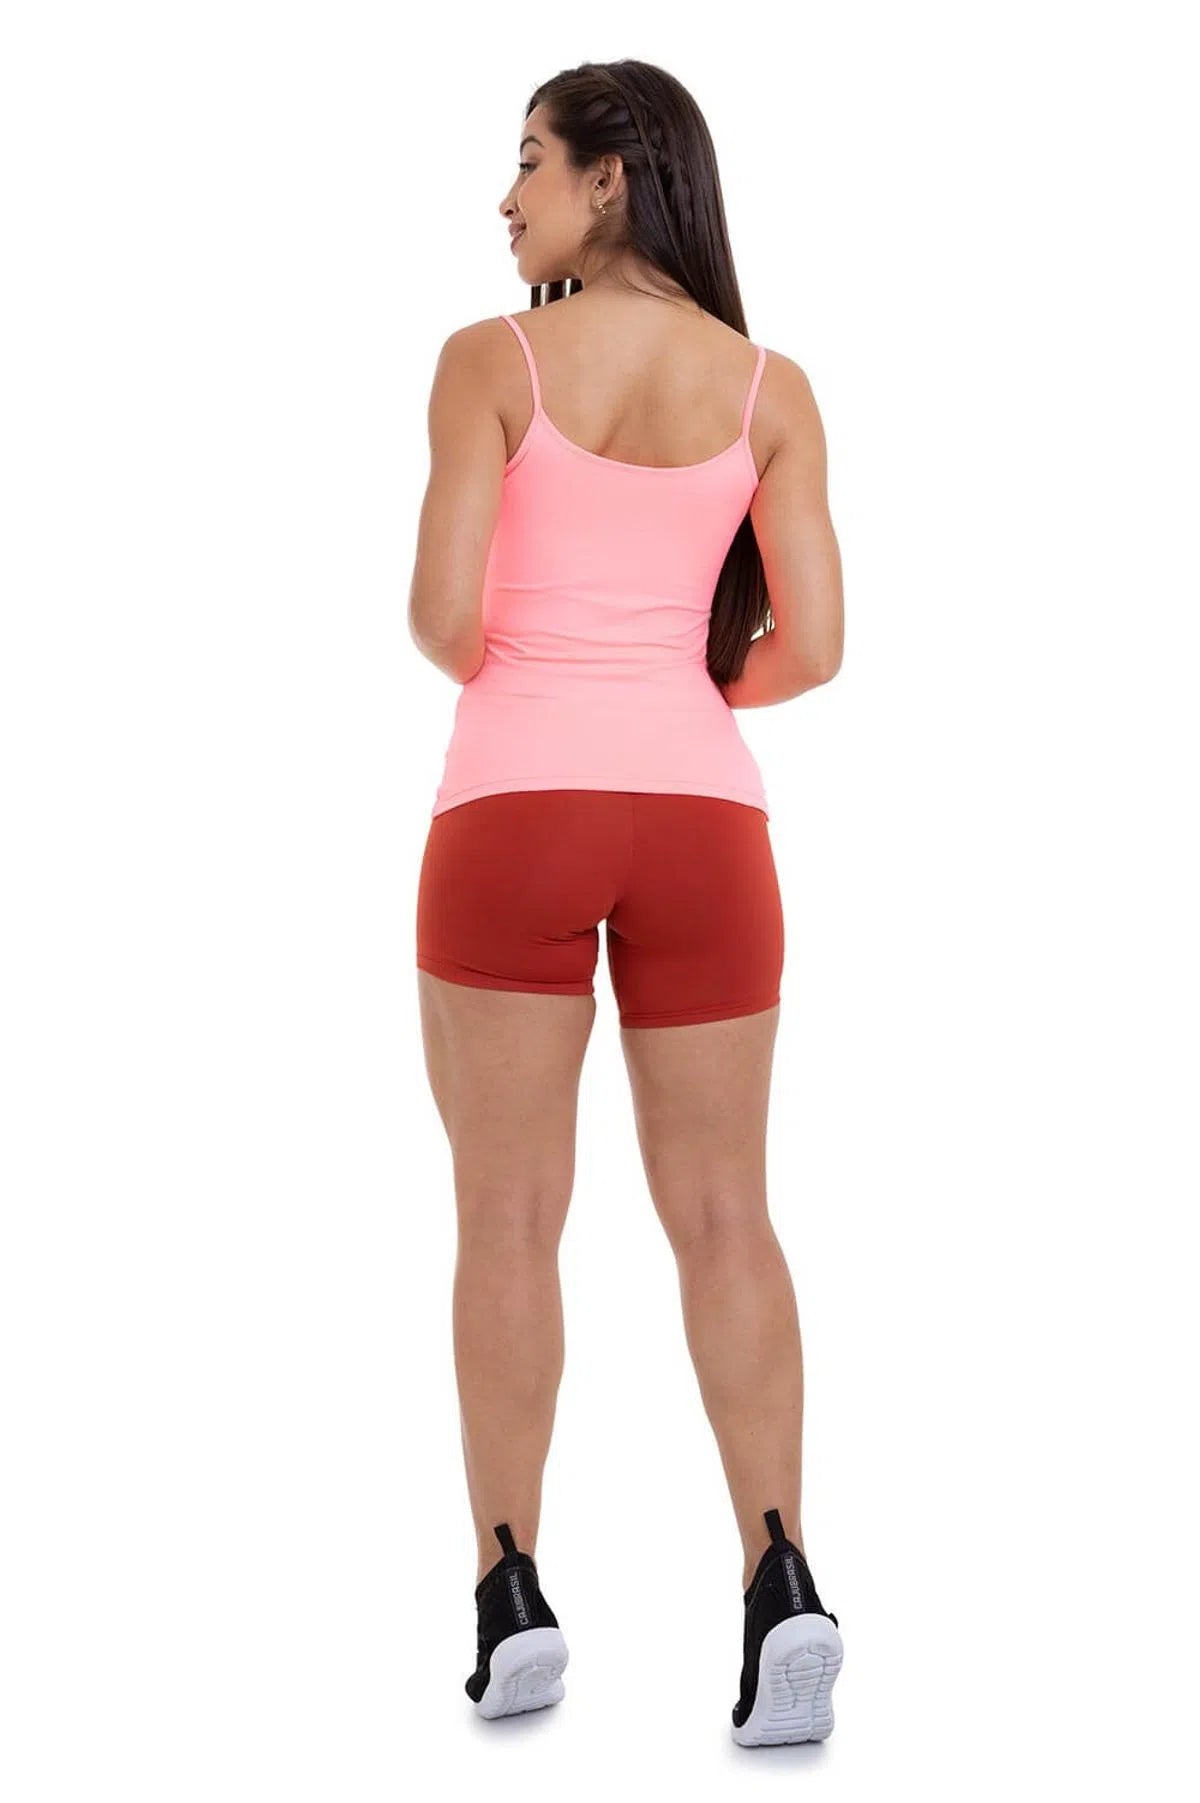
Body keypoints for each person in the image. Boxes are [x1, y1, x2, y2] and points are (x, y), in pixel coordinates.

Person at [408, 59, 845, 1746]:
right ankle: (782, 1577)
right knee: (728, 1214)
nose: (505, 198)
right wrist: (672, 694)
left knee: (511, 1215)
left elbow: (445, 620)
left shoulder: (490, 361)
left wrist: (558, 678)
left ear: (609, 178)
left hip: (514, 809)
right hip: (704, 823)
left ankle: (510, 1595)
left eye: (528, 161)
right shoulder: (768, 387)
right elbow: (813, 644)